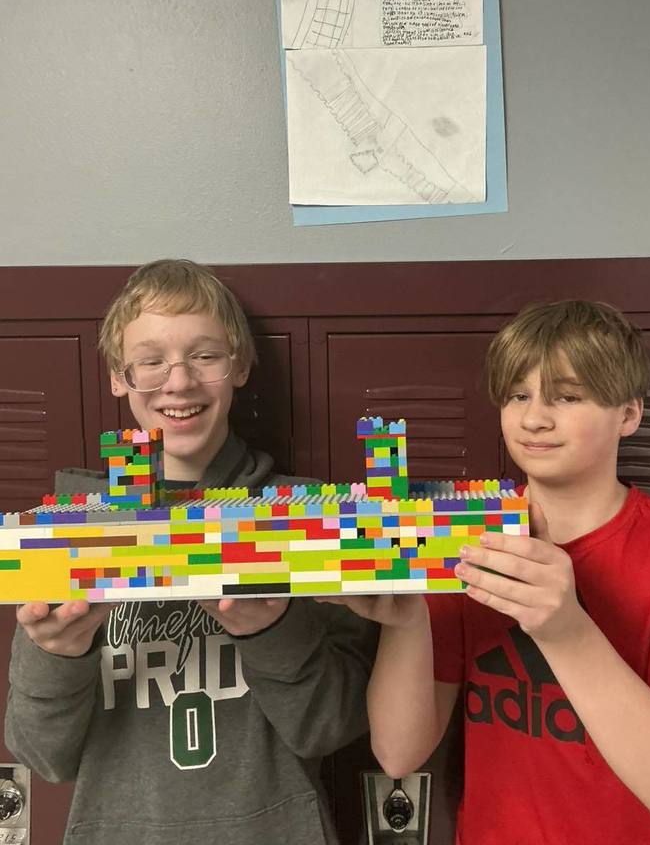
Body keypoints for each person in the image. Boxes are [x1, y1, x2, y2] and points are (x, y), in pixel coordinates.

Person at [327, 300, 650, 845]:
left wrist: (565, 628)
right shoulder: (467, 536)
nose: (533, 419)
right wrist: (407, 621)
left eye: (567, 397)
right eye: (518, 395)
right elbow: (398, 753)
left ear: (629, 415)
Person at [4, 258, 378, 845]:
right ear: (119, 376)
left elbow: (330, 729)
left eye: (205, 356)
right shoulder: (71, 532)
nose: (178, 382)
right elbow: (41, 757)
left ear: (240, 366)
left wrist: (271, 630)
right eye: (151, 361)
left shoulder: (306, 517)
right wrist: (56, 653)